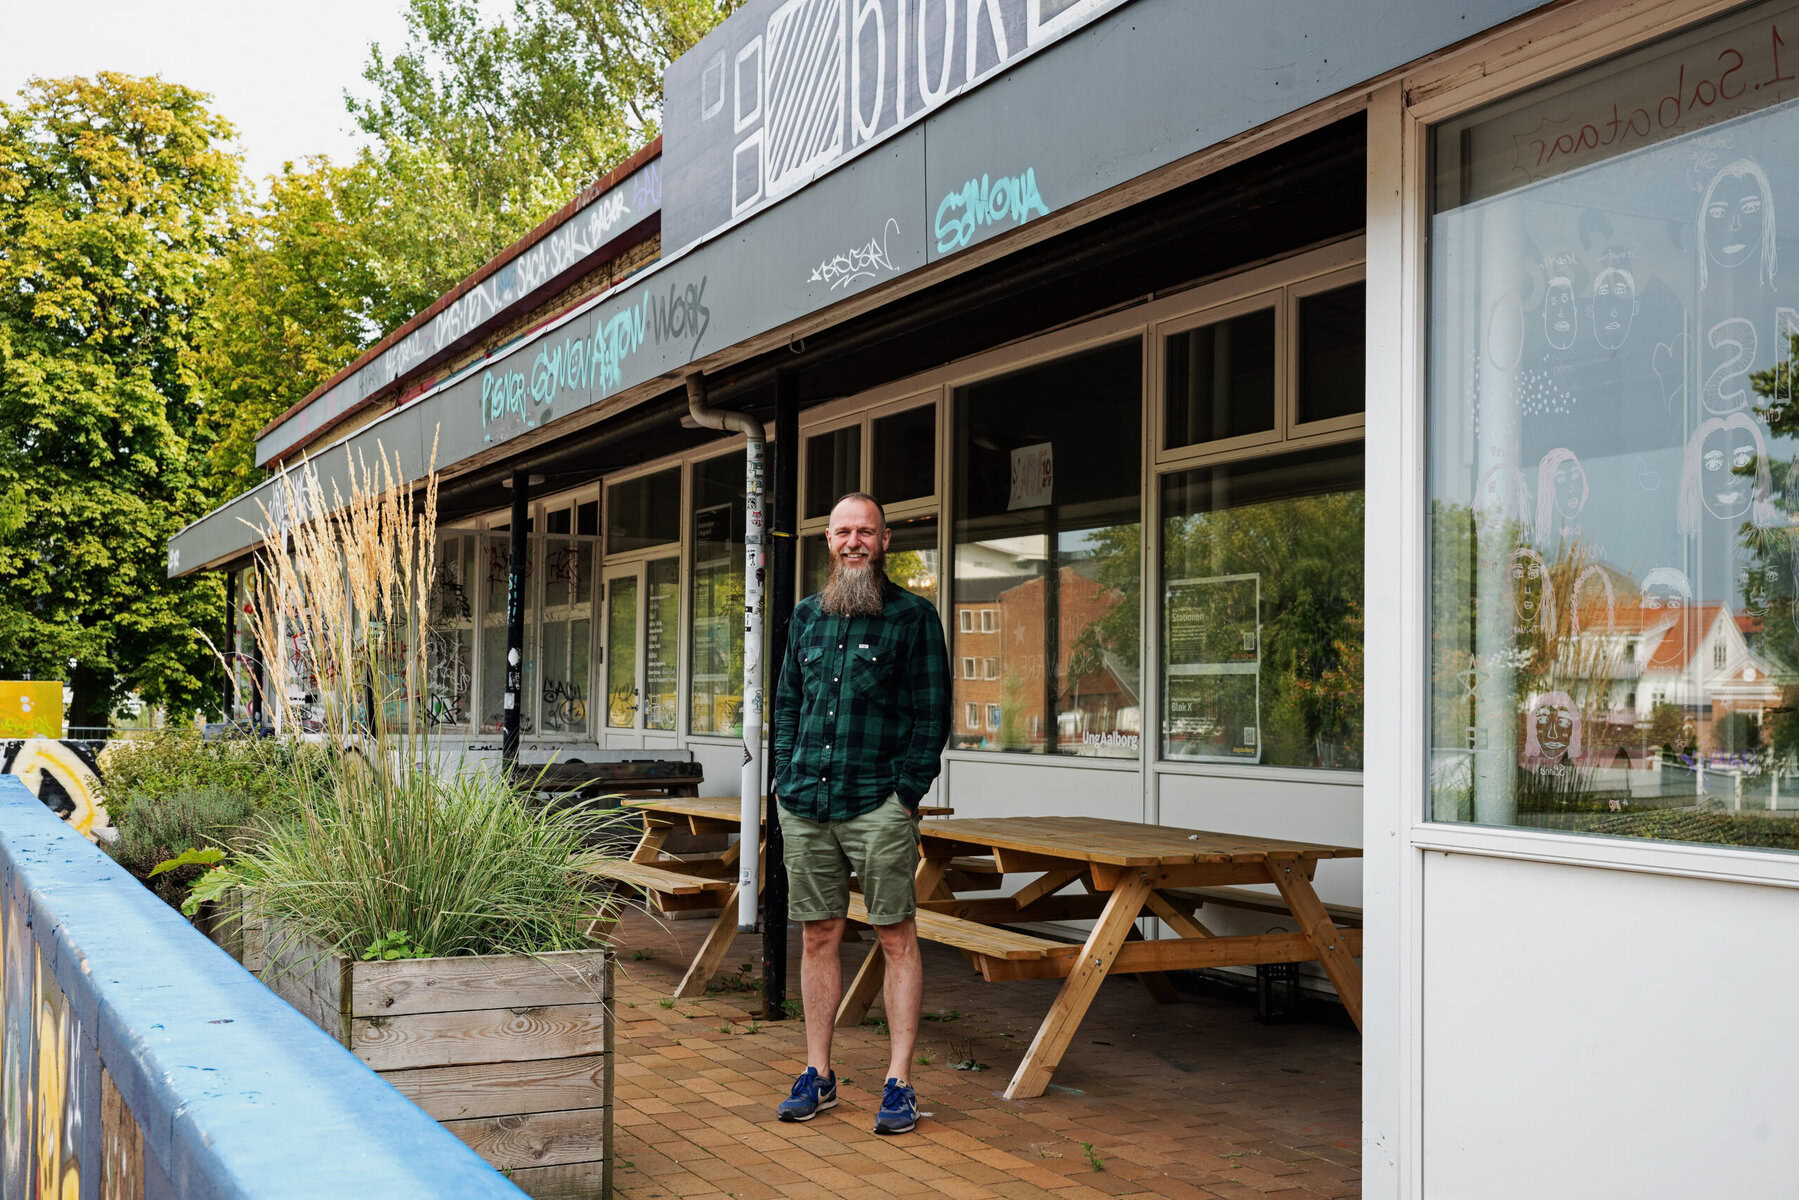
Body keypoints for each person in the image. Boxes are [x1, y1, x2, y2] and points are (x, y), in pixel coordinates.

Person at [769, 491, 951, 1135]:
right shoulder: (807, 618)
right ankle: (818, 1074)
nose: (853, 542)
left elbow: (933, 718)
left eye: (865, 532)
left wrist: (906, 795)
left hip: (878, 802)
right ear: (827, 541)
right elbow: (787, 704)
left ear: (885, 540)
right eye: (843, 531)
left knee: (895, 936)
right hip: (806, 801)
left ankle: (899, 1081)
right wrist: (783, 775)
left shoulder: (913, 617)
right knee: (819, 935)